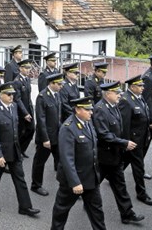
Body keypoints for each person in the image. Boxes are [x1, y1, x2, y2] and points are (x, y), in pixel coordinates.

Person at [93, 80, 145, 225]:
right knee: (93, 183)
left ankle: (127, 214)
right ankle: (81, 200)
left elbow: (119, 128)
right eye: (116, 93)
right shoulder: (100, 109)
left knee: (120, 185)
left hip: (115, 155)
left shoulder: (114, 106)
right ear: (108, 94)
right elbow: (103, 134)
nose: (119, 95)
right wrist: (123, 143)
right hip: (104, 156)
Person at [0, 83, 39, 217]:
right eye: (8, 94)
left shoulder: (14, 107)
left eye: (12, 94)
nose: (11, 97)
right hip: (1, 152)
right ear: (0, 95)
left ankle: (25, 207)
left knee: (20, 178)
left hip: (14, 149)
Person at [50, 97, 105, 230]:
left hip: (91, 178)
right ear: (77, 110)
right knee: (61, 210)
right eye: (87, 109)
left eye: (91, 109)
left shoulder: (87, 122)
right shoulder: (68, 128)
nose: (91, 112)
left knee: (97, 212)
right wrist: (75, 182)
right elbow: (67, 158)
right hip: (73, 181)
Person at [119, 75, 152, 205]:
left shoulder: (139, 98)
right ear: (132, 87)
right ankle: (142, 194)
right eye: (140, 86)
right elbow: (124, 124)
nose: (143, 88)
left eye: (142, 85)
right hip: (133, 141)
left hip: (141, 138)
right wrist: (126, 142)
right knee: (138, 168)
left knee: (119, 164)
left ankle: (110, 177)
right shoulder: (126, 100)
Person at [31, 72, 64, 197]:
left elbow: (57, 117)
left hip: (56, 135)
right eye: (59, 84)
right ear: (52, 83)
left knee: (62, 161)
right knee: (40, 162)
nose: (61, 86)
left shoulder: (57, 95)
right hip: (46, 138)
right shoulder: (42, 97)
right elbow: (41, 120)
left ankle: (66, 187)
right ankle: (36, 185)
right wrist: (45, 139)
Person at [11, 58, 35, 158]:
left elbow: (28, 96)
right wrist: (25, 113)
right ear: (20, 68)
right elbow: (17, 99)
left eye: (29, 68)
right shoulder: (17, 81)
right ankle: (16, 152)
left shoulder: (27, 79)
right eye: (26, 68)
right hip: (21, 111)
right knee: (20, 132)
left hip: (28, 109)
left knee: (31, 129)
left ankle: (21, 149)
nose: (28, 70)